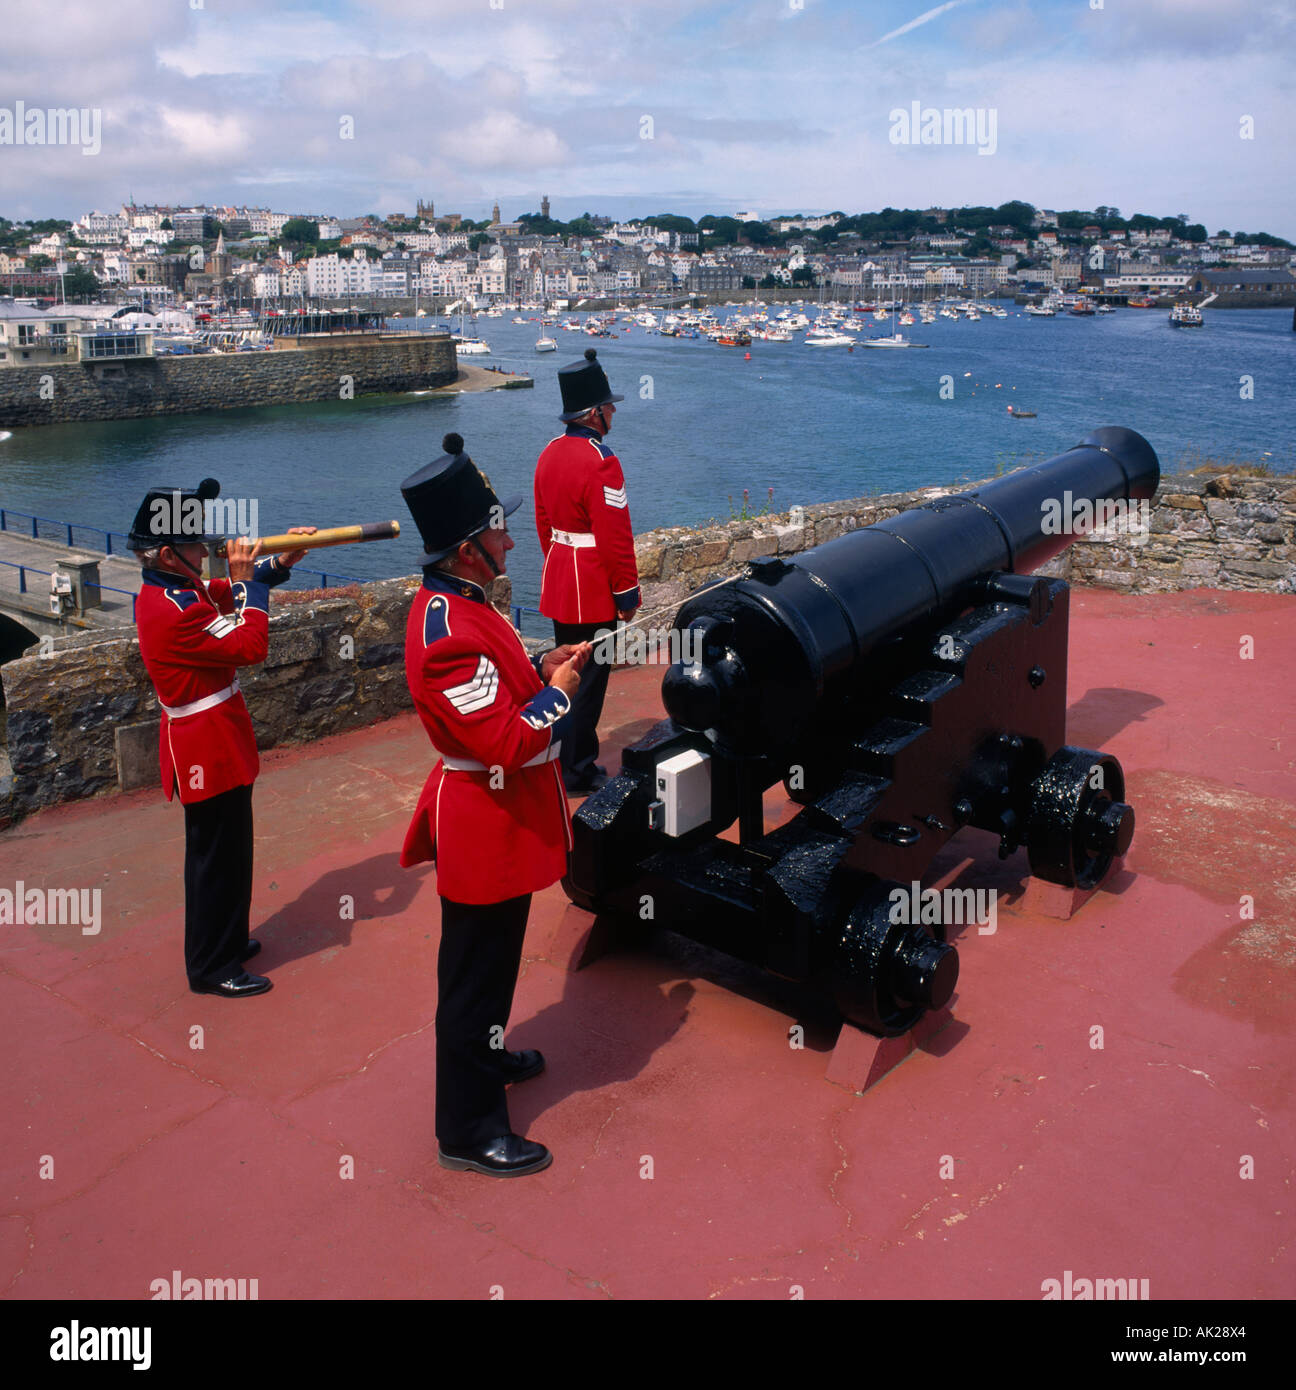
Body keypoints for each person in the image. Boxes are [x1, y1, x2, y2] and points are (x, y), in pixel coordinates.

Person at [400, 433, 592, 1178]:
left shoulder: (468, 605)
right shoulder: (446, 631)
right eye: (498, 529)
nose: (513, 538)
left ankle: (489, 1057)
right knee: (474, 977)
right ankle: (469, 1129)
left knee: (495, 964)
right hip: (484, 820)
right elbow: (508, 741)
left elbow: (501, 687)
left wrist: (541, 667)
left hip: (498, 815)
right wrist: (559, 696)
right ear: (467, 549)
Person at [129, 478, 314, 997]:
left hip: (215, 736)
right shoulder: (176, 609)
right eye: (194, 544)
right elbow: (251, 644)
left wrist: (282, 562)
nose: (204, 549)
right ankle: (211, 966)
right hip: (203, 746)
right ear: (168, 552)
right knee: (215, 857)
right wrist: (246, 583)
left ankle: (227, 938)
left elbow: (229, 592)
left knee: (231, 850)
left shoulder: (175, 589)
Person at [534, 347, 640, 794]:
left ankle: (561, 759)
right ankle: (577, 769)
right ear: (594, 413)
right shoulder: (601, 460)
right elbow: (614, 533)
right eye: (609, 404)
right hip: (593, 584)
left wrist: (557, 566)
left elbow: (543, 522)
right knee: (587, 683)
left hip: (561, 576)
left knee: (565, 673)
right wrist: (626, 592)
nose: (614, 410)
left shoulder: (549, 453)